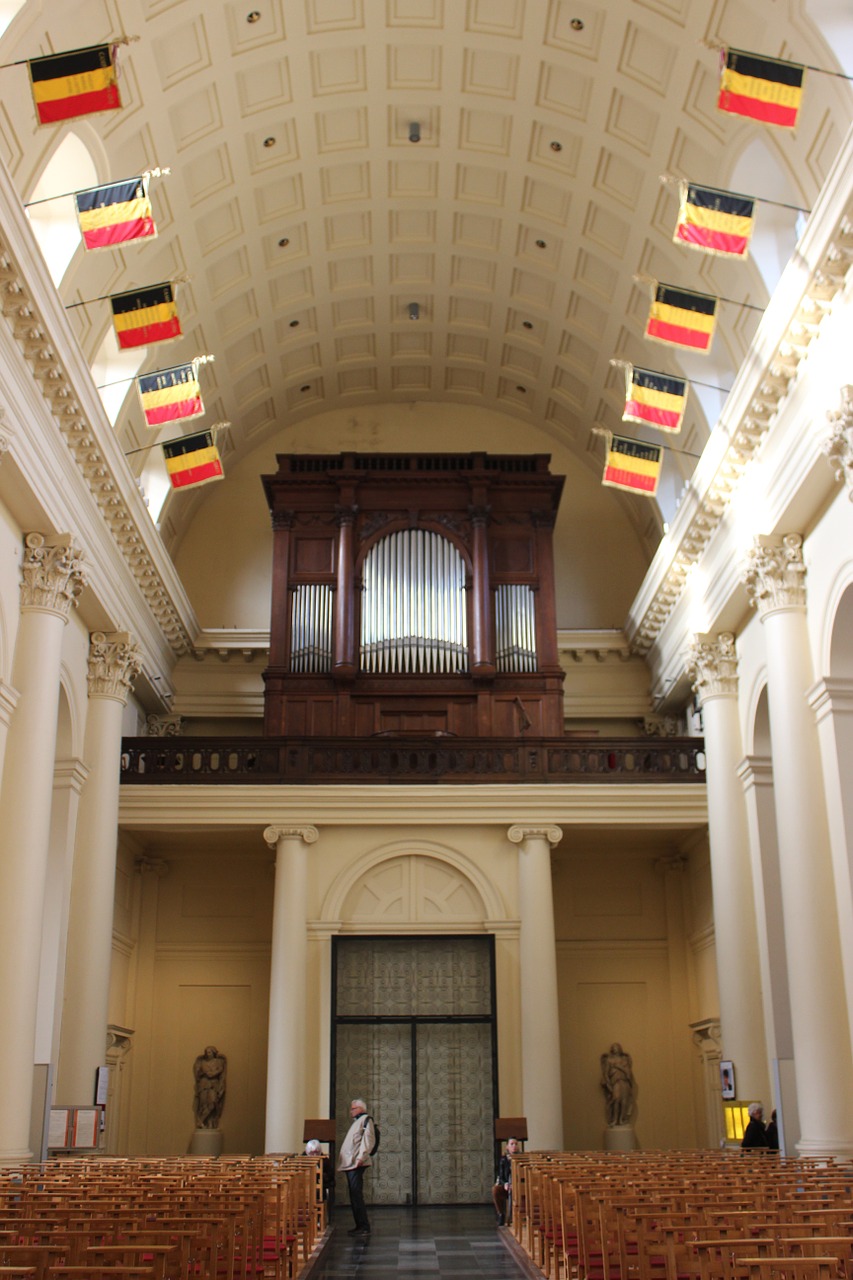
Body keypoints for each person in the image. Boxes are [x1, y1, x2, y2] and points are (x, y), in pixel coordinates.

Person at [338, 1098, 375, 1236]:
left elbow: (368, 1140)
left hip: (356, 1163)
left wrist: (361, 1157)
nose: (351, 1111)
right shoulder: (357, 1122)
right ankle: (359, 1225)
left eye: (353, 1108)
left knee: (356, 1195)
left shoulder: (366, 1120)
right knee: (354, 1195)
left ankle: (363, 1226)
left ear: (361, 1108)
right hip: (351, 1163)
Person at [600, 1043, 636, 1127]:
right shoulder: (609, 1060)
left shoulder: (624, 1060)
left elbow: (628, 1071)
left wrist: (618, 1067)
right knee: (616, 1099)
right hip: (615, 1082)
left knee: (624, 1101)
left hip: (624, 1082)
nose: (615, 1049)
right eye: (614, 1048)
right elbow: (606, 1073)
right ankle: (614, 1119)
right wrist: (608, 1082)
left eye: (617, 1047)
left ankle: (622, 1119)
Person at [192, 1046, 226, 1129]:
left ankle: (201, 1120)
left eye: (210, 1052)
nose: (208, 1054)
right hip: (204, 1084)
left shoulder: (218, 1061)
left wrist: (211, 1073)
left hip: (213, 1084)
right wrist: (204, 1073)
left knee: (213, 1102)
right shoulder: (202, 1062)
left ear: (214, 1053)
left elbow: (220, 1071)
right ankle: (206, 1123)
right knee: (203, 1103)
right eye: (206, 1052)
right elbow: (198, 1073)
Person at [492, 1136, 518, 1225]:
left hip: (518, 1187)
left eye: (516, 1144)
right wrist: (505, 1184)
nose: (514, 1146)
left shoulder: (521, 1159)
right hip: (507, 1185)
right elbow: (501, 1175)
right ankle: (501, 1214)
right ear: (507, 1146)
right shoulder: (503, 1160)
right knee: (495, 1190)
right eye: (512, 1144)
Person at [306, 1138, 335, 1207]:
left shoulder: (325, 1161)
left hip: (321, 1186)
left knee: (319, 1193)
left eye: (317, 1153)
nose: (314, 1156)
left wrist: (323, 1176)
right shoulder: (302, 1160)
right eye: (312, 1153)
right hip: (306, 1186)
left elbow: (331, 1177)